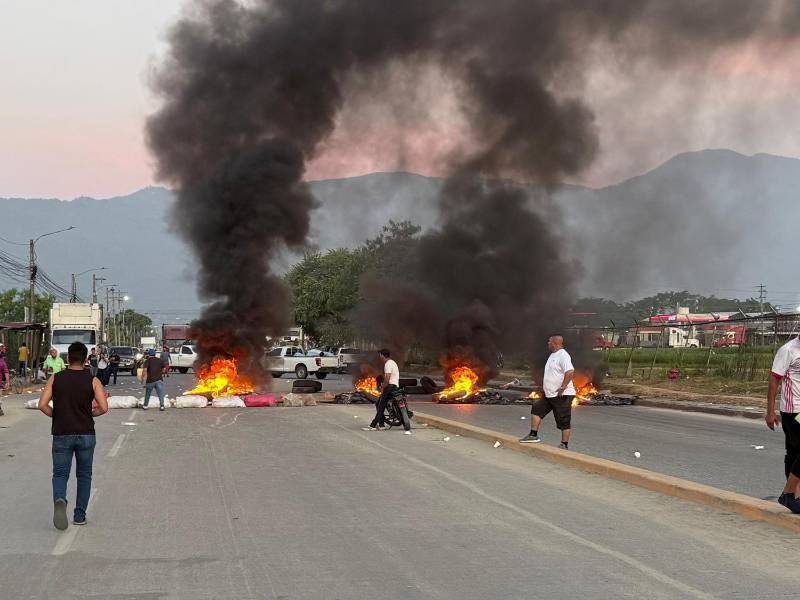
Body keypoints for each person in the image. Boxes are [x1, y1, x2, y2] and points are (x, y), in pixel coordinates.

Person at [38, 341, 108, 529]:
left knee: (60, 473)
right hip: (86, 433)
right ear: (86, 359)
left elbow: (42, 405)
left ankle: (60, 499)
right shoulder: (93, 380)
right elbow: (104, 407)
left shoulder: (56, 379)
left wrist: (58, 415)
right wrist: (90, 414)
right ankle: (79, 515)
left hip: (61, 433)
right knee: (84, 475)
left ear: (68, 358)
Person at [520, 335, 575, 448]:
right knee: (536, 408)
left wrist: (563, 387)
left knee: (563, 420)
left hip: (562, 395)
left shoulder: (563, 355)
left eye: (549, 341)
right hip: (549, 394)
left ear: (554, 343)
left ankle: (564, 444)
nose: (548, 343)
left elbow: (570, 371)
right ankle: (533, 435)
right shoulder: (552, 355)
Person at [767, 335, 800, 513]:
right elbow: (774, 380)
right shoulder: (788, 350)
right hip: (792, 409)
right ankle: (788, 494)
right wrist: (770, 412)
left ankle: (795, 495)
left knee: (794, 452)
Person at [363, 348, 409, 433]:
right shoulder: (393, 363)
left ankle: (373, 425)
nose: (379, 357)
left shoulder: (387, 364)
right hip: (395, 386)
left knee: (381, 406)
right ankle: (381, 425)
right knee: (379, 403)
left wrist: (382, 387)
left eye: (379, 355)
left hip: (390, 387)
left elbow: (387, 378)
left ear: (382, 355)